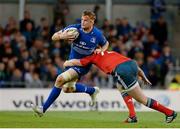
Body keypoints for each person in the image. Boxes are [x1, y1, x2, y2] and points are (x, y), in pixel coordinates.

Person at [31, 11, 109, 117]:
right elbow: (53, 36)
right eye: (82, 19)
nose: (83, 22)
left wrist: (101, 50)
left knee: (60, 79)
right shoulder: (74, 29)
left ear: (92, 21)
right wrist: (62, 36)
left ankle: (42, 109)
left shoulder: (97, 34)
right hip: (71, 62)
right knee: (67, 89)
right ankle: (92, 90)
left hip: (83, 65)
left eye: (85, 20)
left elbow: (106, 44)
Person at [64, 51, 177, 123]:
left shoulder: (90, 57)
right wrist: (143, 76)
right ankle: (132, 116)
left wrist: (67, 62)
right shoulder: (109, 52)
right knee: (120, 85)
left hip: (123, 71)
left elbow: (78, 62)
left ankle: (169, 113)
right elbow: (132, 64)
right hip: (132, 65)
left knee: (142, 99)